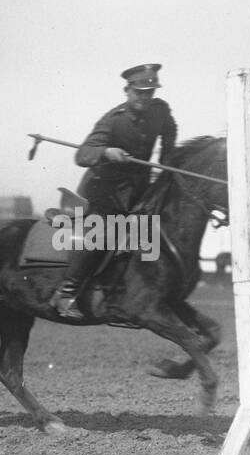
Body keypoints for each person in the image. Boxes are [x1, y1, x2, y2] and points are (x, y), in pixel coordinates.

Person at [50, 63, 177, 319]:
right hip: (103, 190)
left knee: (151, 233)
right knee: (105, 232)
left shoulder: (160, 111)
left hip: (138, 190)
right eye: (139, 92)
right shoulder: (112, 120)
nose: (144, 98)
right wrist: (106, 152)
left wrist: (166, 163)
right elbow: (82, 154)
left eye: (149, 93)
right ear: (127, 90)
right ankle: (66, 294)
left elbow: (169, 135)